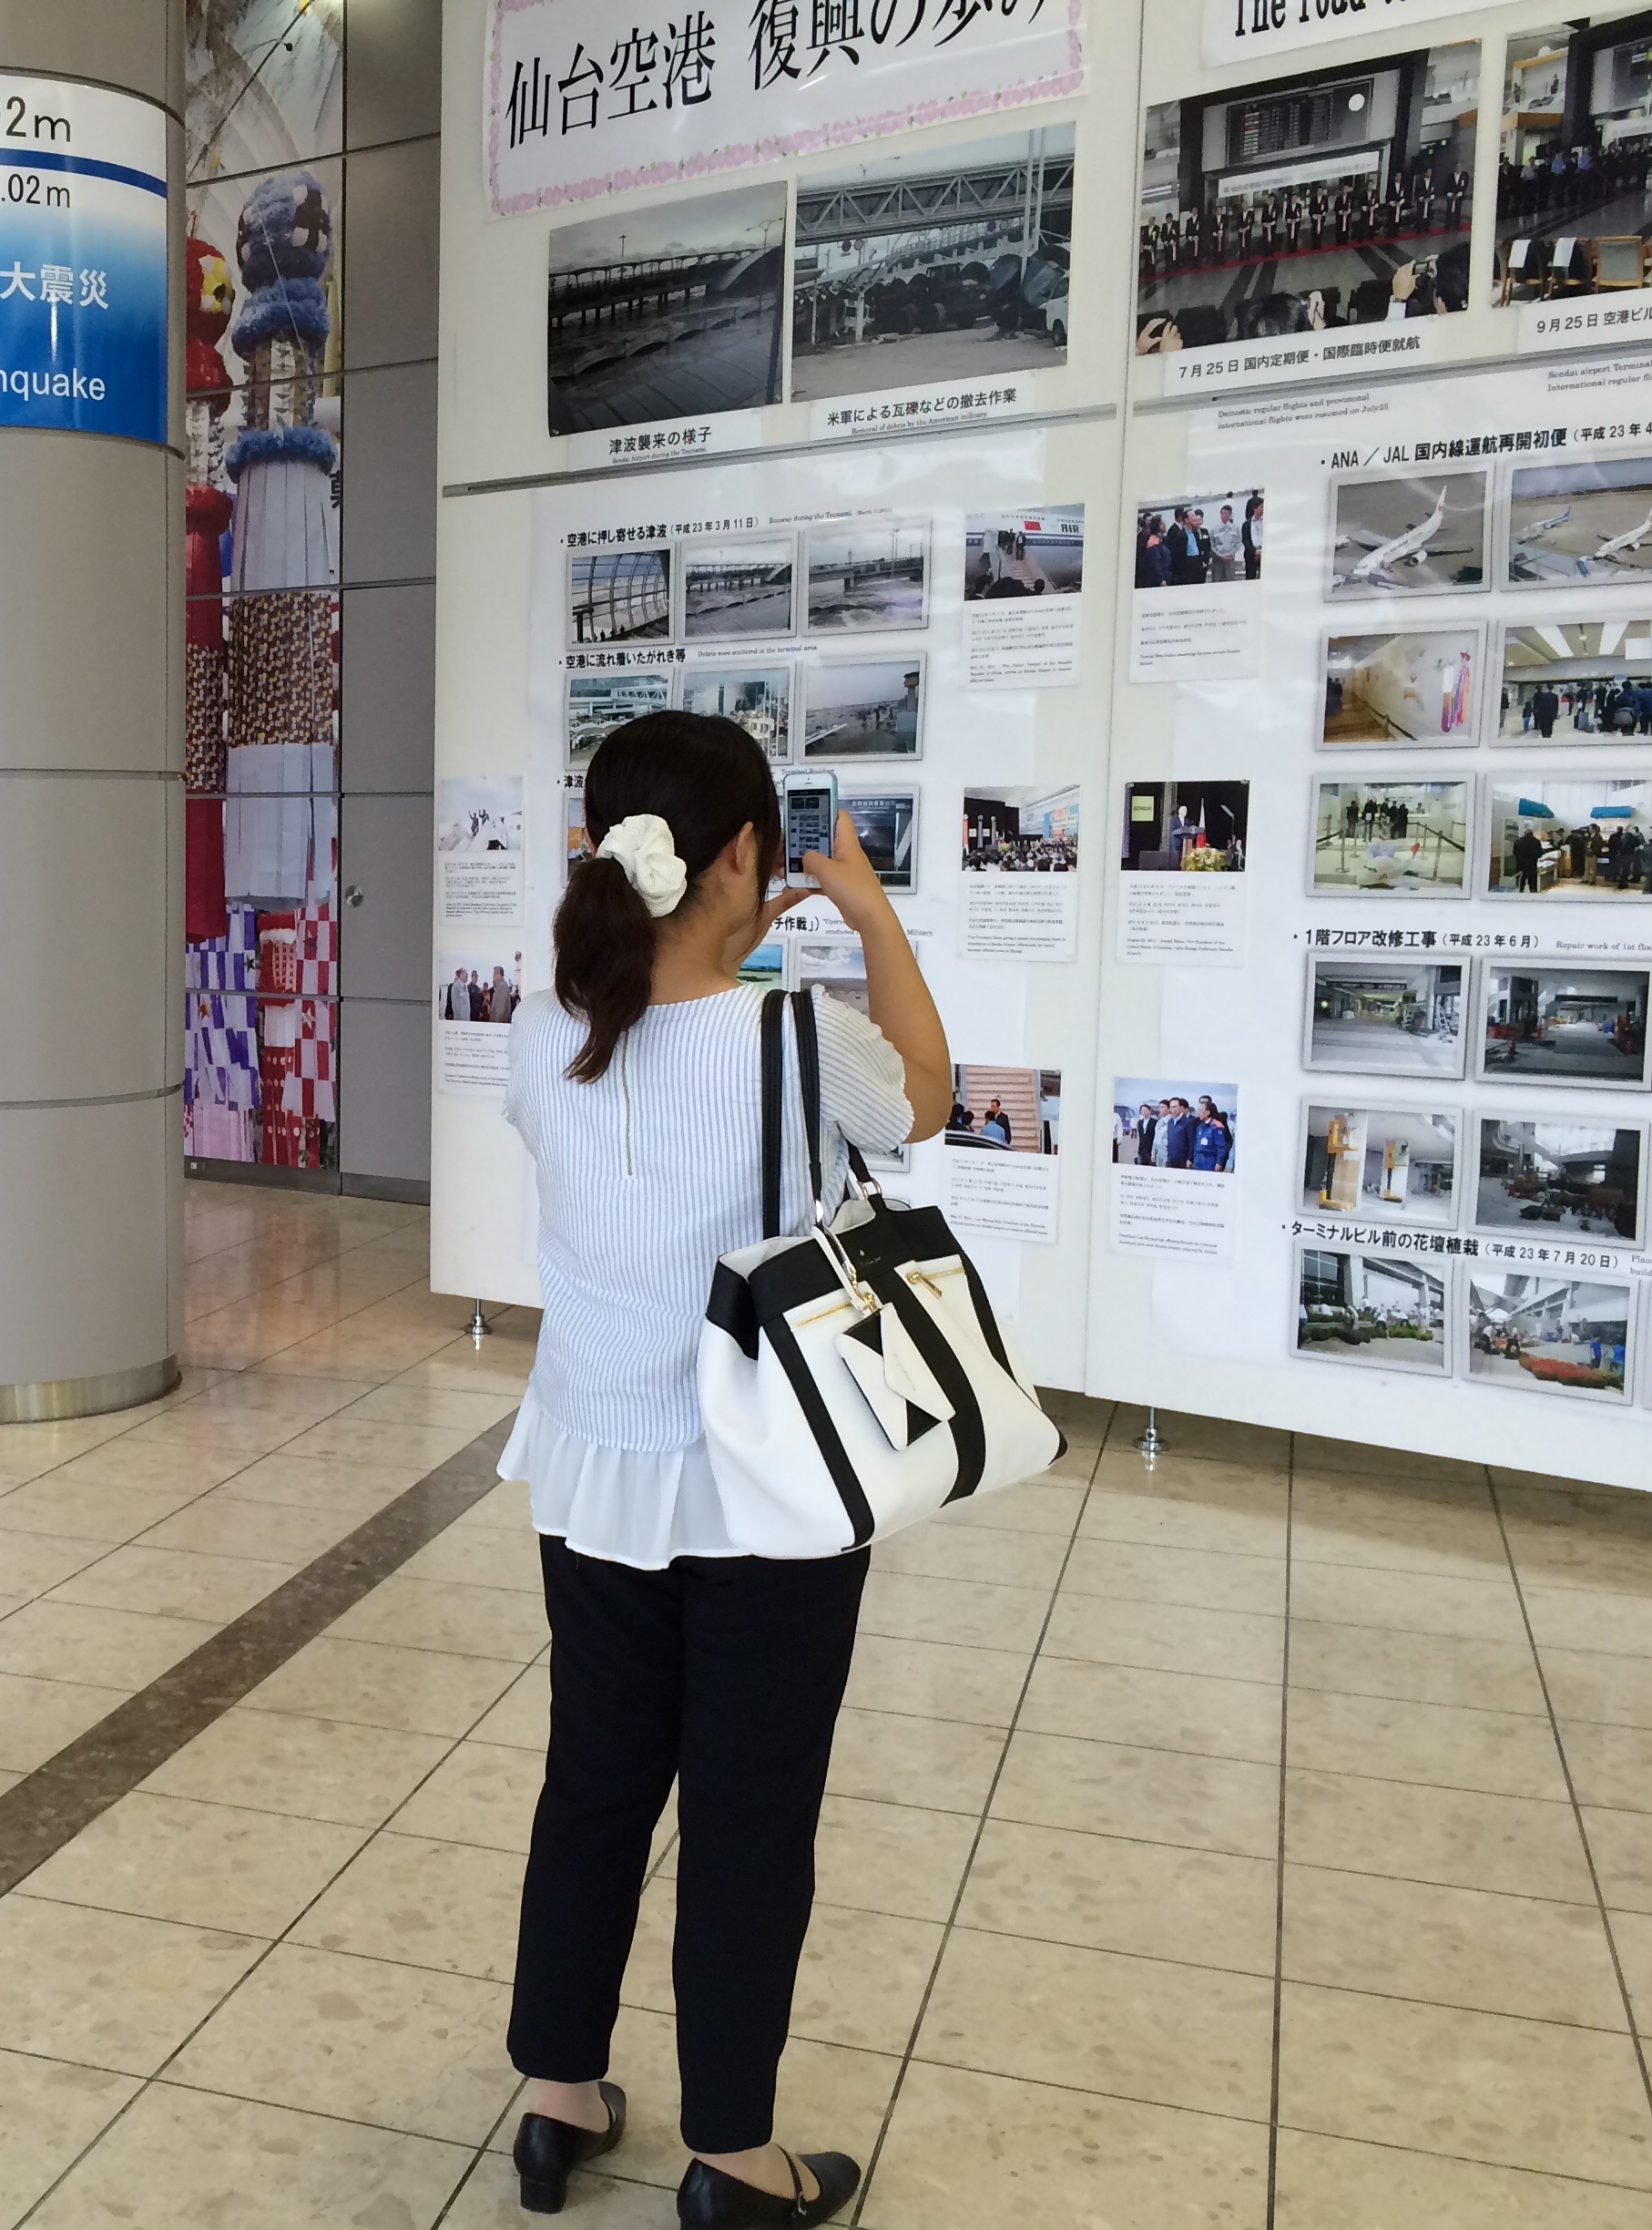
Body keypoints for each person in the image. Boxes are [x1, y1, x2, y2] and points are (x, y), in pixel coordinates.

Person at [496, 711, 945, 2227]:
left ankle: (559, 2095)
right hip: (771, 1485)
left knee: (594, 1785)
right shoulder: (796, 1039)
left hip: (593, 1468)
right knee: (750, 1816)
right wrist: (872, 917)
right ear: (746, 855)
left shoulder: (540, 1031)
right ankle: (737, 2158)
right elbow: (926, 1100)